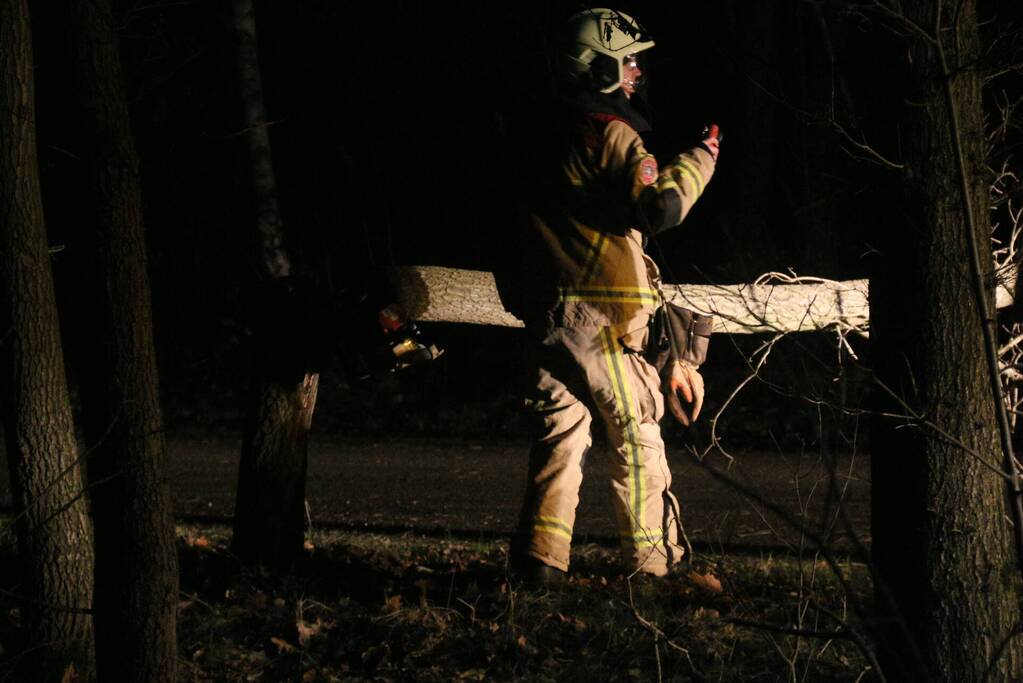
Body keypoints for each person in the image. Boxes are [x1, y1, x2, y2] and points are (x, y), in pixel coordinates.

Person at [508, 7, 720, 583]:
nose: (635, 72)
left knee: (561, 433)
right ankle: (658, 568)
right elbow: (661, 208)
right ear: (596, 65)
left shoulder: (536, 135)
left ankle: (539, 563)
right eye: (626, 60)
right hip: (602, 318)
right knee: (638, 433)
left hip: (546, 310)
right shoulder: (611, 133)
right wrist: (700, 161)